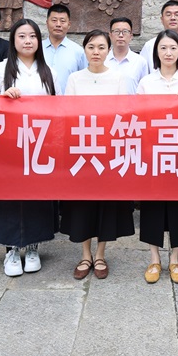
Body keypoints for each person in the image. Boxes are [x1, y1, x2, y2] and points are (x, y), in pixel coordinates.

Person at [0, 18, 59, 276]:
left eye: (32, 36)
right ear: (13, 41)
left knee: (37, 196)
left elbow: (58, 108)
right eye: (22, 36)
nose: (27, 41)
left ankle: (33, 246)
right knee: (9, 196)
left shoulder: (49, 71)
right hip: (8, 145)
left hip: (40, 145)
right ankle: (11, 249)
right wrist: (2, 99)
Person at [60, 30, 135, 280]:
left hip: (107, 150)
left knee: (105, 203)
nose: (96, 52)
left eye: (101, 47)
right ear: (84, 50)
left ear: (108, 51)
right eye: (91, 47)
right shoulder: (74, 78)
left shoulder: (118, 78)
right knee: (82, 203)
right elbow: (68, 114)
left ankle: (100, 254)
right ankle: (85, 254)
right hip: (81, 149)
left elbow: (122, 114)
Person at [136, 30, 178, 284]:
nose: (168, 53)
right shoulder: (146, 82)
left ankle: (175, 259)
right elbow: (137, 116)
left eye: (173, 48)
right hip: (152, 151)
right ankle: (154, 259)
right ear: (156, 52)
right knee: (151, 205)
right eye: (163, 48)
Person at [41, 3, 87, 94]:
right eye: (54, 20)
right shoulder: (37, 49)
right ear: (47, 23)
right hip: (40, 101)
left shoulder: (78, 52)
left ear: (69, 25)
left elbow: (84, 80)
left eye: (62, 21)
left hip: (69, 101)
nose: (58, 24)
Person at [106, 16, 144, 90]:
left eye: (125, 31)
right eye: (116, 31)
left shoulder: (140, 61)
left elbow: (144, 89)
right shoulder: (103, 60)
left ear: (131, 36)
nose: (120, 35)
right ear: (110, 35)